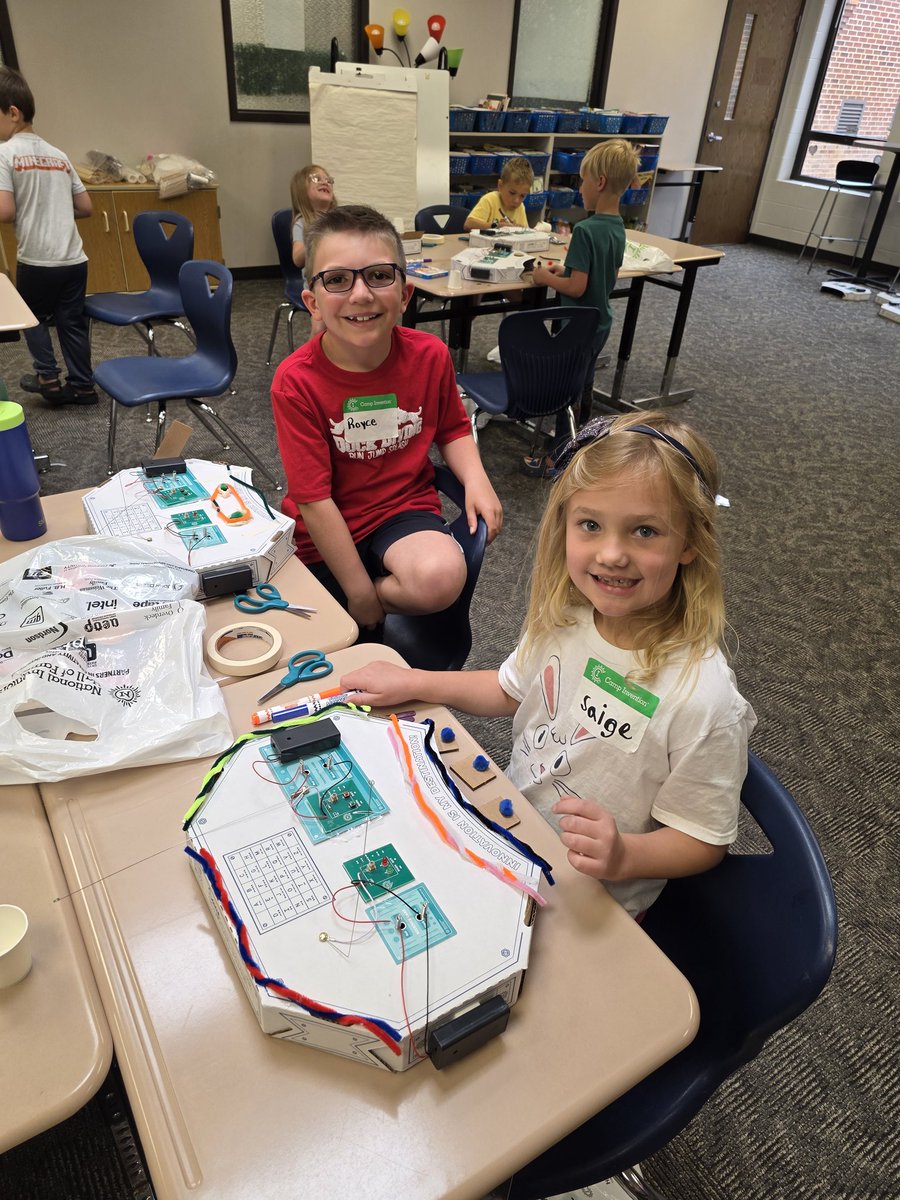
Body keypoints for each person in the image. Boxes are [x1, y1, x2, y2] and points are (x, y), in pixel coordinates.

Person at [341, 411, 757, 919]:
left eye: (645, 531)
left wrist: (625, 856)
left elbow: (703, 838)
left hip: (596, 898)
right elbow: (510, 689)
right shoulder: (568, 620)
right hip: (514, 832)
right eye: (590, 525)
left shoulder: (705, 699)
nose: (612, 554)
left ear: (691, 541)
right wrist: (414, 680)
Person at [271, 203, 503, 635]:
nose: (361, 294)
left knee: (439, 577)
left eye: (379, 275)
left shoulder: (430, 356)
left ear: (405, 295)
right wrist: (355, 590)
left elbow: (453, 427)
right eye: (337, 280)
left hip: (402, 509)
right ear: (313, 303)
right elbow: (314, 499)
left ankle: (370, 599)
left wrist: (477, 480)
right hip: (325, 530)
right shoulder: (296, 381)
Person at [523, 137, 641, 475]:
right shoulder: (617, 228)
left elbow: (577, 287)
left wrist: (545, 278)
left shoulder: (586, 230)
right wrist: (567, 271)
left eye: (583, 180)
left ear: (599, 182)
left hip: (576, 326)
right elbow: (604, 275)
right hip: (599, 322)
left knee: (567, 391)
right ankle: (583, 445)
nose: (580, 187)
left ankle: (559, 457)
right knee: (582, 386)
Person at [0, 66, 96, 406]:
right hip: (74, 260)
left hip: (38, 260)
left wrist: (32, 209)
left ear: (13, 112)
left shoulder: (5, 153)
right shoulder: (59, 154)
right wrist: (55, 209)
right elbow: (85, 207)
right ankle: (83, 386)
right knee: (71, 322)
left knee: (32, 318)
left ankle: (48, 378)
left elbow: (5, 212)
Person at [289, 164, 337, 285]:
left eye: (328, 180)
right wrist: (319, 237)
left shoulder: (339, 218)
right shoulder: (302, 223)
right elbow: (297, 259)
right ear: (302, 191)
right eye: (317, 179)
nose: (325, 182)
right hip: (317, 284)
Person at [464, 156, 534, 231]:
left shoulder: (520, 207)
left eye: (522, 196)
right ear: (500, 186)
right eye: (512, 193)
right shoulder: (490, 200)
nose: (517, 200)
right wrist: (496, 226)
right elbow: (469, 224)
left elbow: (525, 230)